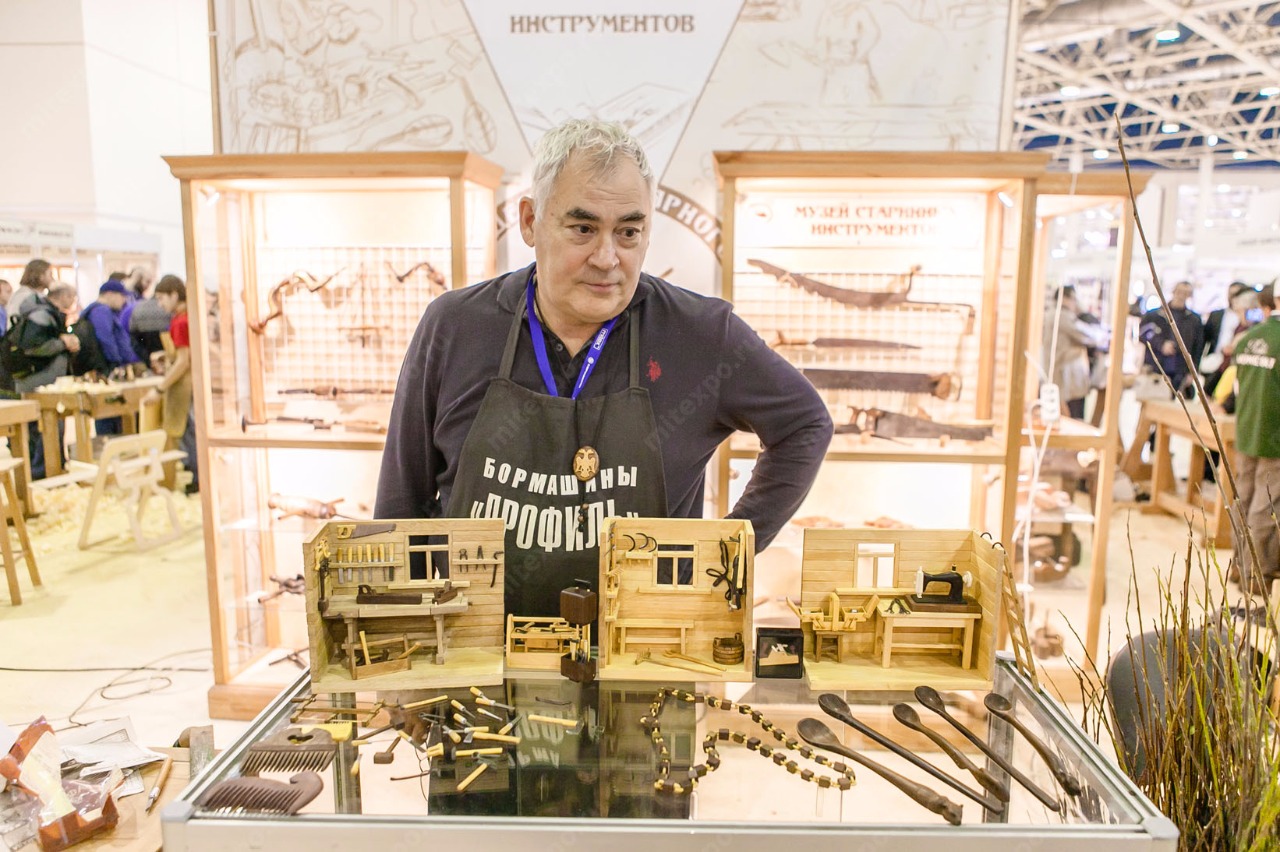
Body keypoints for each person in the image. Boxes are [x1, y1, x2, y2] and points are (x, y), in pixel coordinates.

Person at [375, 119, 833, 618]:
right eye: (583, 229)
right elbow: (401, 504)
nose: (607, 258)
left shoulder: (701, 335)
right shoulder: (456, 326)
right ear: (530, 221)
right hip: (470, 645)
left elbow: (805, 424)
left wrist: (724, 552)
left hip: (645, 650)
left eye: (628, 232)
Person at [1229, 281, 1279, 593]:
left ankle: (1238, 566)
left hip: (1247, 431)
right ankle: (1256, 576)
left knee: (1243, 498)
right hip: (1275, 437)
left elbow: (1236, 387)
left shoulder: (1247, 339)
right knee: (1267, 505)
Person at [17, 284, 81, 478]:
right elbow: (31, 347)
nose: (73, 301)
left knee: (47, 430)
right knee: (44, 431)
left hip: (42, 382)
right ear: (63, 296)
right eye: (72, 297)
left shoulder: (47, 313)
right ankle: (43, 474)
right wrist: (63, 343)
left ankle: (51, 471)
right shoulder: (42, 315)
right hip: (36, 382)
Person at [144, 276, 198, 493]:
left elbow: (184, 361)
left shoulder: (180, 321)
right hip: (189, 384)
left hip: (185, 386)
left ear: (174, 295)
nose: (160, 304)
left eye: (161, 298)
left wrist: (159, 389)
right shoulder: (186, 317)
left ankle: (198, 479)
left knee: (188, 431)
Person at [80, 281, 145, 434]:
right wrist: (117, 363)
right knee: (110, 416)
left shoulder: (99, 311)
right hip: (108, 371)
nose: (124, 300)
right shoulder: (101, 311)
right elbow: (105, 339)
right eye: (121, 296)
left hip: (107, 370)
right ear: (109, 294)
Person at [1138, 280, 1204, 396]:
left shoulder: (1194, 320)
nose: (1181, 296)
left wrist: (1193, 372)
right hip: (1156, 368)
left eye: (1186, 293)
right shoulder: (1154, 315)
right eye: (1179, 292)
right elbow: (1143, 334)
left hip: (1179, 370)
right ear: (1174, 292)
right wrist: (1161, 344)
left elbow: (1197, 347)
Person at [1041, 285, 1094, 420]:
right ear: (1065, 298)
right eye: (1073, 299)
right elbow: (1088, 335)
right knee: (1070, 417)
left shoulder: (1054, 314)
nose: (1075, 303)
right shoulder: (1061, 316)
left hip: (1060, 374)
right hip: (1064, 376)